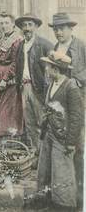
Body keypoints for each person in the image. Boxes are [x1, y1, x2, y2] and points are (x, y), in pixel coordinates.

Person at [37, 51, 84, 211]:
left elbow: (77, 117)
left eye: (48, 67)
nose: (46, 70)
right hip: (50, 133)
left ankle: (65, 206)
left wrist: (71, 142)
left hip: (63, 138)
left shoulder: (71, 87)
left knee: (62, 173)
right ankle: (49, 202)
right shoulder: (51, 84)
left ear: (56, 70)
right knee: (47, 170)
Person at [48, 12, 86, 206]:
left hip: (78, 101)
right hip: (60, 105)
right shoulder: (55, 47)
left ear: (71, 29)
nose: (58, 32)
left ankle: (80, 196)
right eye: (55, 29)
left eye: (62, 28)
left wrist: (77, 79)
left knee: (77, 145)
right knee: (63, 147)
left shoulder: (80, 46)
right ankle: (65, 193)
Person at [15, 13, 53, 153]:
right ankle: (37, 153)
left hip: (39, 89)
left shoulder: (44, 45)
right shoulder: (20, 46)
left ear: (36, 27)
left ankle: (46, 156)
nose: (27, 28)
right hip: (24, 88)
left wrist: (48, 90)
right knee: (30, 123)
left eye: (30, 25)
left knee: (43, 122)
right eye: (24, 25)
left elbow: (52, 70)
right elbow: (18, 67)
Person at [0, 13, 24, 140]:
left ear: (12, 24)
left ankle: (8, 139)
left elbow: (16, 62)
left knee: (7, 108)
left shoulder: (17, 40)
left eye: (6, 23)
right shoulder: (5, 38)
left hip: (8, 77)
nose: (3, 26)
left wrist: (5, 78)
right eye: (1, 23)